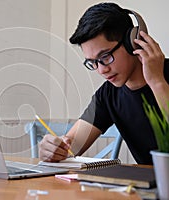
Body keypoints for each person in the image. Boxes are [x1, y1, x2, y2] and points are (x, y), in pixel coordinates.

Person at [39, 2, 169, 165]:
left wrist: (157, 83)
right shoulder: (108, 94)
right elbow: (71, 148)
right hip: (149, 188)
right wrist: (53, 149)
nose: (101, 70)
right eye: (93, 62)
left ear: (132, 42)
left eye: (105, 57)